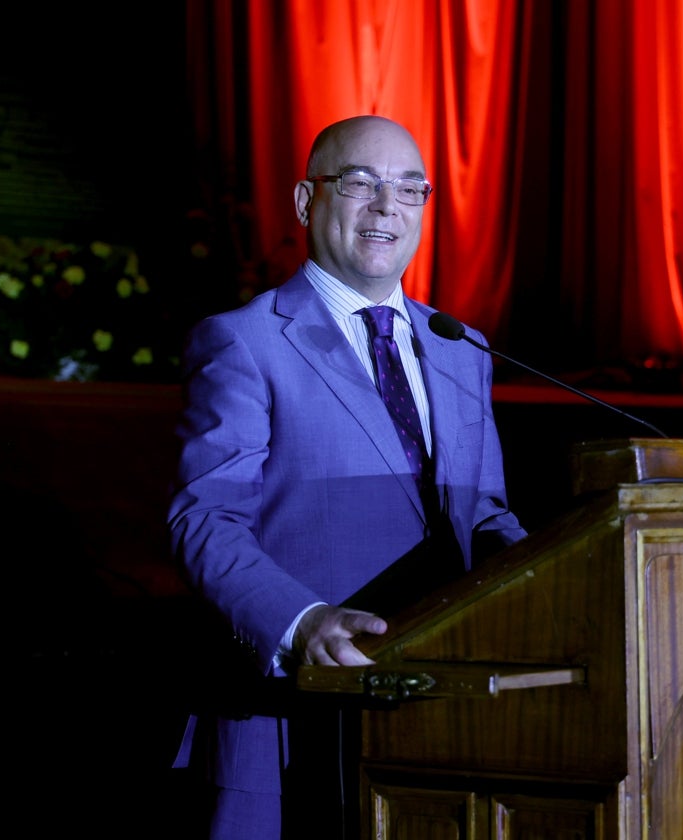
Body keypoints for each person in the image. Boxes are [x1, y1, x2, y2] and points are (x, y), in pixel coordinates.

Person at [167, 114, 528, 839]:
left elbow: (486, 517)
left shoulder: (461, 348)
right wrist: (301, 623)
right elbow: (202, 520)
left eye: (408, 189)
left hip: (440, 712)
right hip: (297, 711)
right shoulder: (245, 341)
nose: (385, 206)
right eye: (360, 183)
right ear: (307, 202)